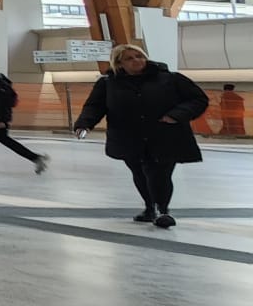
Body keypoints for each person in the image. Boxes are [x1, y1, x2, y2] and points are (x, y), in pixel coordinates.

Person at [74, 43, 208, 228]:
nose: (137, 61)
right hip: (128, 137)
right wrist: (84, 125)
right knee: (140, 173)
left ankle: (163, 211)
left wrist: (176, 115)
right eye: (130, 58)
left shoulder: (170, 79)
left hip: (165, 135)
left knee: (159, 173)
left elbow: (198, 99)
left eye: (140, 56)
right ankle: (149, 207)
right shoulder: (107, 83)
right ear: (119, 63)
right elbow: (94, 106)